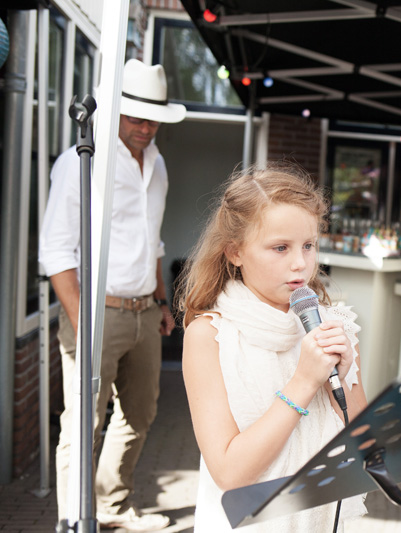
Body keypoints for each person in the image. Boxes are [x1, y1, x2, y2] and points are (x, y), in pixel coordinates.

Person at [178, 164, 368, 531]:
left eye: (309, 246)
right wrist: (303, 382)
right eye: (280, 247)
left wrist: (340, 381)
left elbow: (365, 444)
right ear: (235, 252)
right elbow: (229, 472)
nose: (300, 263)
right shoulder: (210, 336)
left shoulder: (334, 325)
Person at [39, 59, 184, 530]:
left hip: (144, 311)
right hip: (96, 311)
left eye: (153, 118)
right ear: (116, 111)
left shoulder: (157, 164)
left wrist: (162, 301)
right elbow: (55, 250)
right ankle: (73, 521)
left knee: (139, 415)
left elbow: (154, 241)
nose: (146, 127)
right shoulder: (83, 160)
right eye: (136, 116)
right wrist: (83, 321)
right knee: (84, 424)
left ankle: (111, 506)